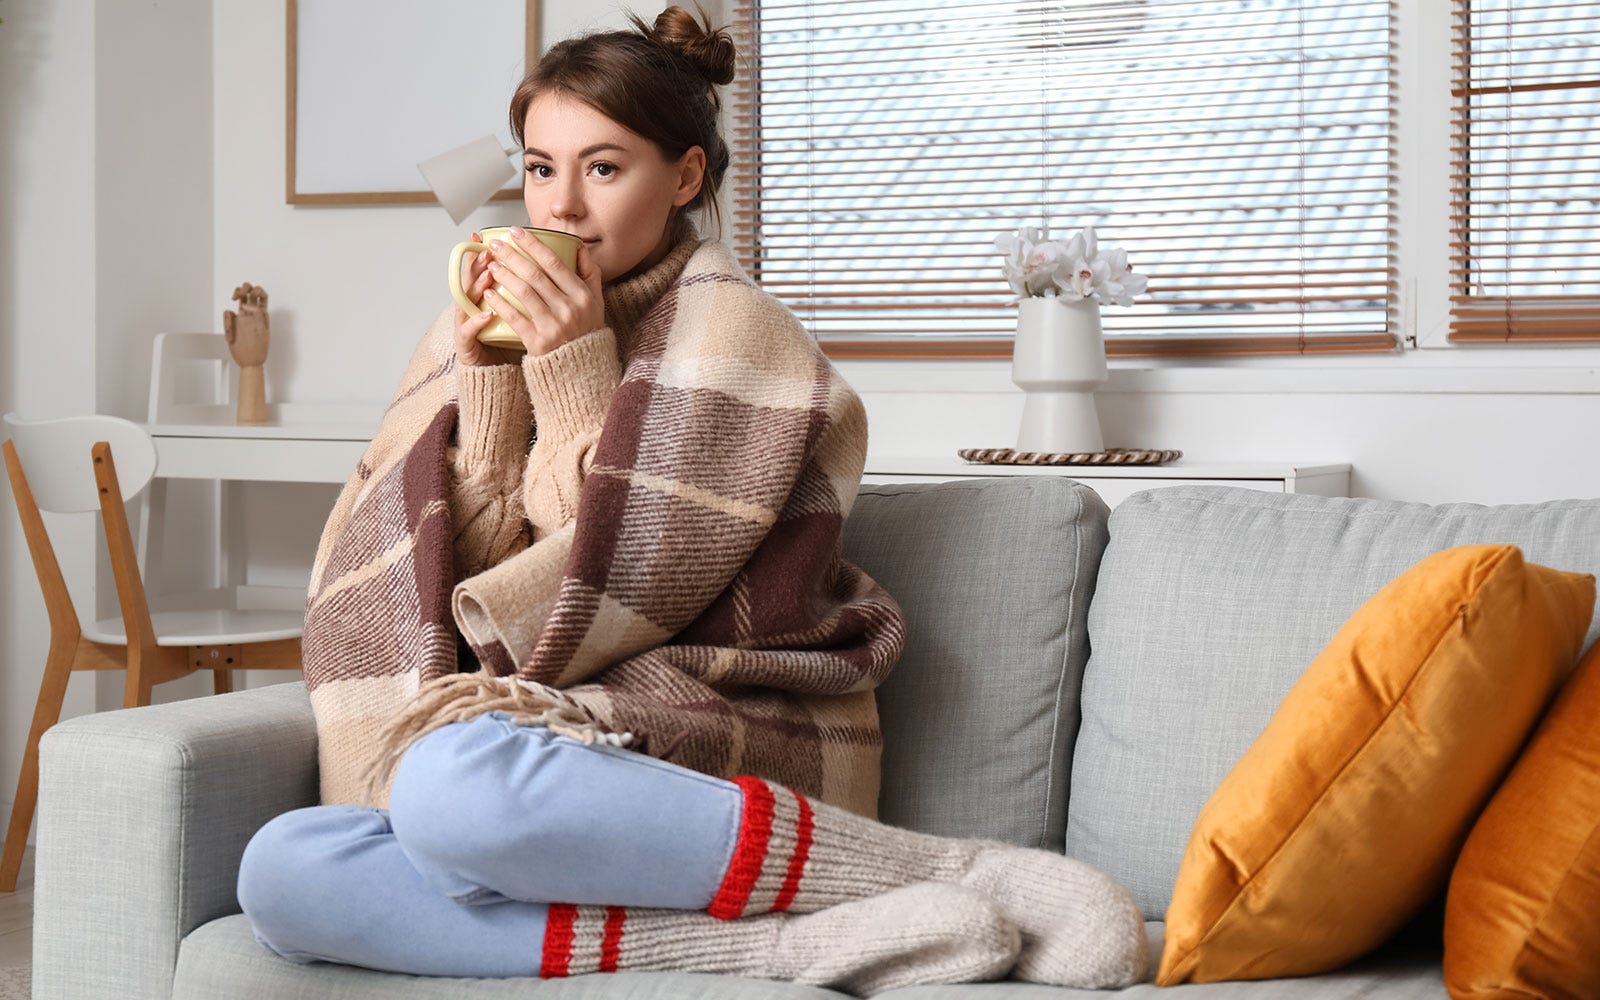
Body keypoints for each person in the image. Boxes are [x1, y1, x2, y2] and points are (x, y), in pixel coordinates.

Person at [236, 6, 1148, 995]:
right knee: (283, 869)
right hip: (546, 742)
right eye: (541, 167)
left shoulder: (739, 336)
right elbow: (464, 584)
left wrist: (576, 365)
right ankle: (777, 946)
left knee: (454, 788)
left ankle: (954, 871)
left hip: (711, 720)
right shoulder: (465, 335)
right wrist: (491, 386)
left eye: (603, 167)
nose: (562, 209)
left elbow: (616, 578)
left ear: (684, 177)